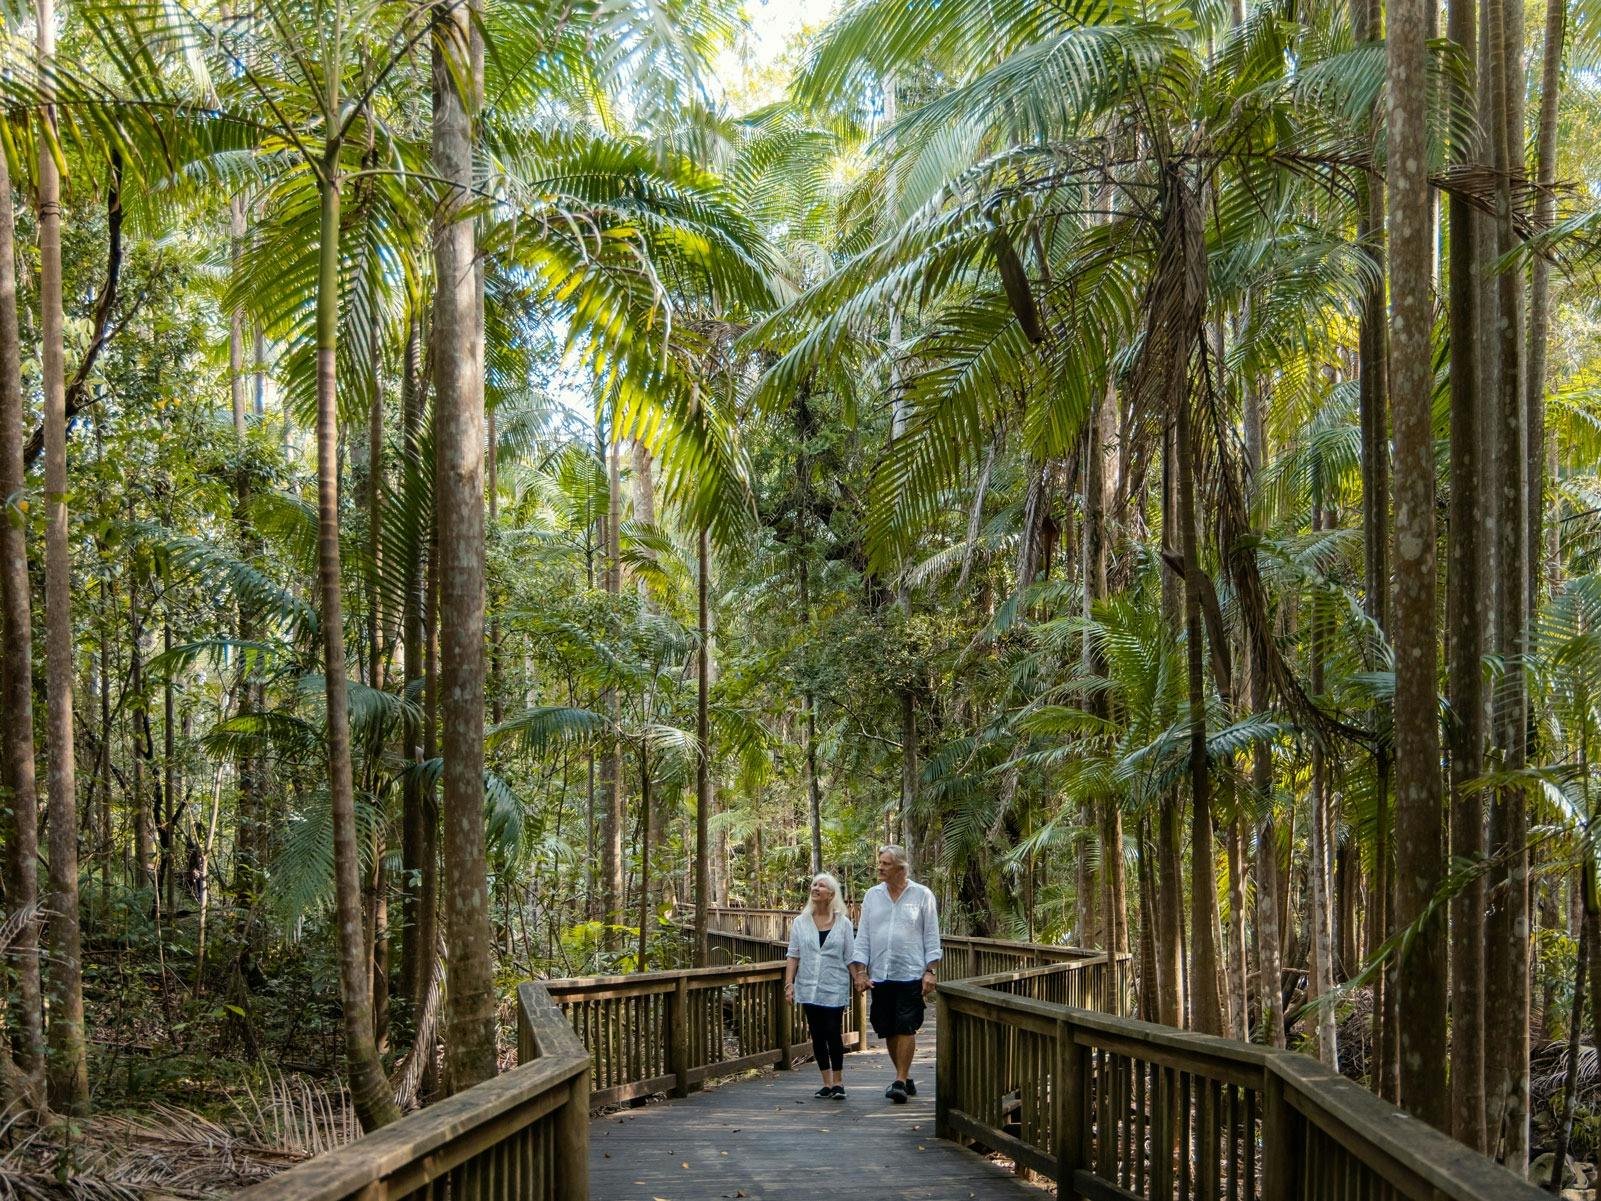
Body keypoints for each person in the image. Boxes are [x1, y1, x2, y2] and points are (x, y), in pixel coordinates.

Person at [850, 844, 941, 1103]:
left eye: (886, 864)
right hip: (881, 972)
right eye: (879, 862)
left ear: (901, 868)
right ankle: (904, 1075)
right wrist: (860, 971)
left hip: (911, 971)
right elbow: (863, 936)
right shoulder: (872, 896)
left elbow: (931, 935)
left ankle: (900, 1080)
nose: (879, 867)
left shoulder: (922, 895)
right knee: (888, 1027)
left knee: (907, 1025)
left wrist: (930, 970)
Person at [784, 872, 855, 1098]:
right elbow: (793, 955)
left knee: (833, 1031)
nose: (815, 888)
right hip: (808, 986)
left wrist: (860, 978)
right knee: (817, 1033)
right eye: (814, 884)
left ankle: (838, 1082)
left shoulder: (843, 924)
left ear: (831, 894)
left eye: (821, 886)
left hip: (834, 985)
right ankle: (826, 1083)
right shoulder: (800, 922)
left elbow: (850, 957)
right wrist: (789, 984)